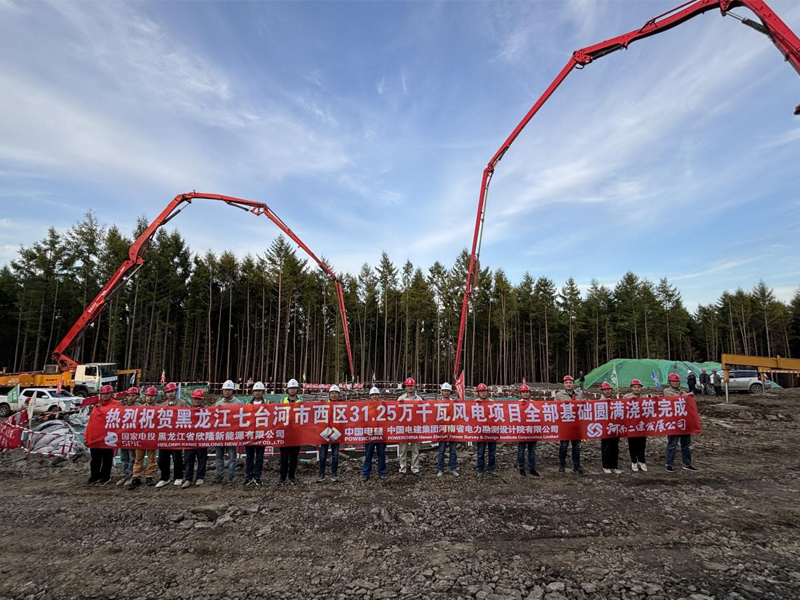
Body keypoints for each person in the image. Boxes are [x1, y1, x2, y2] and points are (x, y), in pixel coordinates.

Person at [85, 385, 119, 486]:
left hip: (108, 437)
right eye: (103, 394)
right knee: (95, 459)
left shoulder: (117, 405)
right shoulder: (97, 407)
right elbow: (91, 422)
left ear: (111, 394)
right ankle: (95, 475)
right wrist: (87, 436)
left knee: (107, 459)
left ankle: (105, 477)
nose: (104, 396)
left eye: (107, 394)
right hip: (96, 437)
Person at [664, 373, 698, 472]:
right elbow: (676, 398)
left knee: (686, 444)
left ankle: (687, 463)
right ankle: (669, 464)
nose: (675, 383)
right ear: (670, 382)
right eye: (673, 381)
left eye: (677, 381)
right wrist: (688, 395)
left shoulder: (681, 391)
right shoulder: (667, 391)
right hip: (673, 422)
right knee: (672, 444)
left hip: (684, 421)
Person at [127, 387, 159, 490]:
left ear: (155, 397)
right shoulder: (139, 409)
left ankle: (149, 476)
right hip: (141, 437)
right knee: (138, 458)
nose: (150, 398)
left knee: (151, 458)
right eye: (148, 396)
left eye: (152, 396)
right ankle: (136, 476)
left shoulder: (160, 409)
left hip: (152, 436)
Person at [156, 382, 184, 488]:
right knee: (162, 458)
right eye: (168, 392)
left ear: (175, 391)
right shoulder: (162, 405)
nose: (170, 394)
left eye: (172, 391)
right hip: (164, 436)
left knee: (177, 457)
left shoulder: (182, 403)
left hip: (176, 435)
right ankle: (165, 478)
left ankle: (178, 477)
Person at [214, 379, 241, 485]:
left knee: (232, 457)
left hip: (231, 434)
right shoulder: (218, 403)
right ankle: (219, 476)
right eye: (225, 390)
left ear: (232, 391)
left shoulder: (238, 403)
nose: (227, 392)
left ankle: (231, 476)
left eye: (229, 390)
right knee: (219, 456)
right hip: (220, 434)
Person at [555, 375, 583, 475]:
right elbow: (554, 408)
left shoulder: (578, 395)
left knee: (576, 446)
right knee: (564, 446)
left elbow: (583, 408)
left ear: (573, 384)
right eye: (566, 383)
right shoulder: (559, 395)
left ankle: (577, 466)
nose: (568, 384)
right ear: (564, 384)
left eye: (570, 383)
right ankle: (562, 466)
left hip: (576, 425)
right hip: (564, 425)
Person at [182, 389, 208, 488]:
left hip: (201, 439)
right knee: (188, 460)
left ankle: (200, 477)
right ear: (192, 399)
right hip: (190, 439)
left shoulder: (207, 411)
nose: (197, 401)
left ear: (202, 400)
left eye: (199, 399)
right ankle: (188, 479)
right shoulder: (187, 411)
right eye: (195, 399)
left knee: (202, 459)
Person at [397, 378, 422, 478]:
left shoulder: (419, 399)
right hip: (404, 428)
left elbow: (423, 413)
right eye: (408, 386)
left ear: (414, 386)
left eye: (411, 386)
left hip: (415, 427)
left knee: (415, 449)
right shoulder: (401, 398)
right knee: (403, 450)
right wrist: (399, 404)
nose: (410, 388)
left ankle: (415, 468)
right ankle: (402, 469)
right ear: (406, 387)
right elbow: (396, 413)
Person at [279, 379, 302, 485]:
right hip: (285, 433)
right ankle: (282, 477)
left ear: (297, 389)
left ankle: (292, 476)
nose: (292, 390)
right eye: (291, 388)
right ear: (287, 389)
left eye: (294, 388)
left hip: (296, 433)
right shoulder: (282, 400)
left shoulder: (301, 401)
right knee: (283, 457)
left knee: (294, 457)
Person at [117, 386, 141, 486]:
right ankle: (125, 474)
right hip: (124, 436)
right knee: (124, 457)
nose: (130, 398)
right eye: (129, 396)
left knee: (132, 457)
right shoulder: (124, 408)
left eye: (133, 396)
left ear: (137, 396)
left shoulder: (140, 408)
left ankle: (131, 474)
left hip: (133, 436)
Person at [362, 387, 387, 481]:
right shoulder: (366, 406)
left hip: (380, 433)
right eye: (373, 395)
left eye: (376, 395)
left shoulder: (383, 406)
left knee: (381, 454)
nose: (374, 397)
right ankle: (366, 473)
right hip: (370, 433)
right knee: (368, 454)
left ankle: (382, 472)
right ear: (370, 396)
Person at [244, 381, 267, 486]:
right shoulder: (247, 404)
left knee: (259, 457)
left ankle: (257, 477)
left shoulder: (267, 404)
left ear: (263, 392)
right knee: (249, 457)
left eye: (259, 390)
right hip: (249, 434)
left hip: (261, 434)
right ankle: (248, 477)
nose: (257, 392)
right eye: (255, 390)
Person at [317, 385, 342, 483]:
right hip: (325, 432)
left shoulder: (342, 406)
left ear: (338, 395)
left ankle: (334, 474)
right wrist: (319, 404)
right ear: (329, 394)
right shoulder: (325, 405)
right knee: (323, 455)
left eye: (336, 393)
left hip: (336, 432)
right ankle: (321, 474)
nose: (334, 395)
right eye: (332, 393)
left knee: (335, 455)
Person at [624, 379, 648, 472]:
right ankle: (633, 461)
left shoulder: (644, 397)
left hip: (642, 424)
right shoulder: (626, 397)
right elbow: (623, 408)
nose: (636, 389)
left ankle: (642, 461)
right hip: (631, 424)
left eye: (638, 387)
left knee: (642, 444)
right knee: (632, 444)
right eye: (634, 387)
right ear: (631, 388)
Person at [436, 382, 459, 477]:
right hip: (442, 429)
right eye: (444, 391)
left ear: (450, 392)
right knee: (441, 451)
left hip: (452, 429)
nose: (446, 392)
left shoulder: (454, 402)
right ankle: (440, 469)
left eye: (448, 391)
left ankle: (453, 468)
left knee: (453, 451)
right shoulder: (438, 403)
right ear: (441, 392)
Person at [517, 383, 539, 477]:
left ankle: (532, 468)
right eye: (523, 392)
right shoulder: (517, 404)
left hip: (532, 431)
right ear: (520, 393)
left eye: (527, 392)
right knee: (521, 450)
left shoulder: (534, 403)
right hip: (522, 430)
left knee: (532, 451)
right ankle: (521, 468)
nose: (525, 394)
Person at [475, 383, 497, 476]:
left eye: (484, 391)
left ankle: (491, 468)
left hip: (492, 430)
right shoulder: (475, 403)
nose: (483, 393)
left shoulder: (493, 402)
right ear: (478, 393)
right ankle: (480, 468)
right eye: (481, 391)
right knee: (480, 451)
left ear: (487, 392)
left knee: (492, 451)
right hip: (480, 431)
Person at [599, 382, 621, 475]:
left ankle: (614, 466)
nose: (607, 391)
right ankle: (606, 466)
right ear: (602, 391)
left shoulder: (616, 400)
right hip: (605, 428)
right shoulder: (599, 402)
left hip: (615, 427)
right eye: (605, 390)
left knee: (615, 447)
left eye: (608, 389)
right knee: (606, 447)